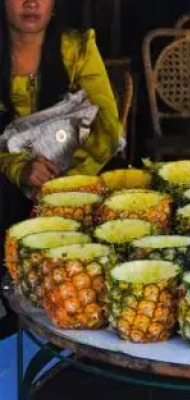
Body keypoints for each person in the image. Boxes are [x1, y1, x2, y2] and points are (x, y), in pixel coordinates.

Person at [0, 0, 122, 338]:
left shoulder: (78, 48)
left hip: (73, 176)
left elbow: (108, 127)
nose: (30, 3)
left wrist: (66, 183)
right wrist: (19, 168)